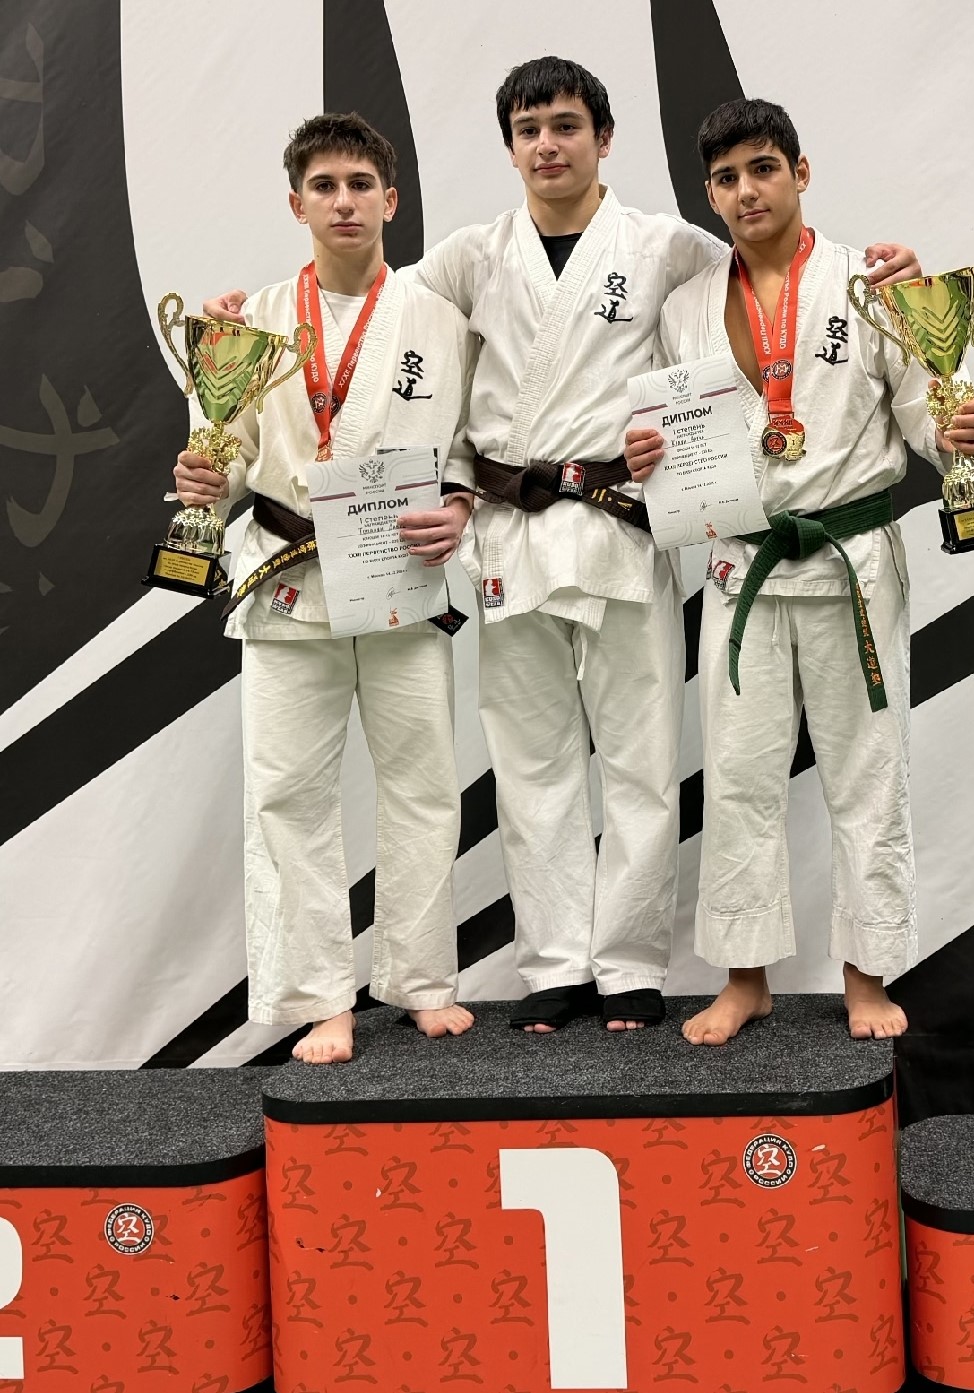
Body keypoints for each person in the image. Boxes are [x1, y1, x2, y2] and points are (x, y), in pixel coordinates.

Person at [203, 60, 921, 1036]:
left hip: (623, 524)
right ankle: (553, 962)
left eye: (567, 124)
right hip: (512, 530)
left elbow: (766, 274)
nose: (549, 143)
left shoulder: (665, 246)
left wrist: (881, 276)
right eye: (530, 128)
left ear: (603, 138)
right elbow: (378, 318)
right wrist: (254, 321)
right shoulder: (471, 256)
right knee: (530, 763)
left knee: (640, 761)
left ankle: (628, 964)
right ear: (510, 147)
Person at [624, 98, 974, 1045]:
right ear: (709, 195)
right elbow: (677, 441)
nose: (747, 191)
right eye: (727, 178)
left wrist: (952, 430)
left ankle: (867, 975)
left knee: (866, 773)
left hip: (850, 560)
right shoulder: (686, 309)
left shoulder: (872, 286)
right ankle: (744, 978)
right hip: (742, 569)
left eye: (763, 169)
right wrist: (649, 457)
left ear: (800, 172)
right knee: (738, 778)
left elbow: (920, 417)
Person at [174, 113, 478, 1063]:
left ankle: (422, 978)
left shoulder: (440, 318)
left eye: (359, 184)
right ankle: (320, 997)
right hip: (285, 572)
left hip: (399, 572)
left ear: (391, 199)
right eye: (324, 186)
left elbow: (471, 442)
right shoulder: (246, 324)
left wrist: (460, 504)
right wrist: (204, 474)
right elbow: (226, 455)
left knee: (423, 783)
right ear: (295, 203)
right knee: (289, 794)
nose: (343, 202)